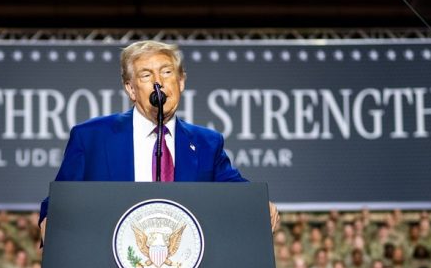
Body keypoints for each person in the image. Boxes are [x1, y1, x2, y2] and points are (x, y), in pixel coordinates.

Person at [38, 40, 276, 237]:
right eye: (146, 75)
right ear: (131, 89)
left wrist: (258, 205)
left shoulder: (207, 143)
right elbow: (61, 198)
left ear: (181, 81)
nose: (158, 82)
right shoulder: (91, 138)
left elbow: (234, 189)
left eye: (166, 72)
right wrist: (51, 218)